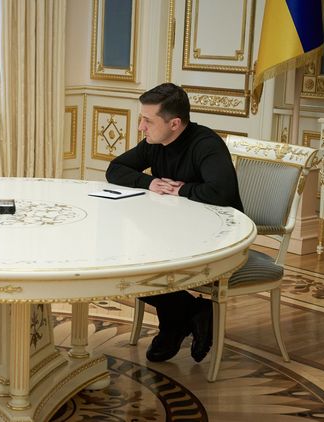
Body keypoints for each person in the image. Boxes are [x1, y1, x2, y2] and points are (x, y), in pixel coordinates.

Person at [106, 82, 243, 364]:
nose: (141, 127)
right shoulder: (155, 144)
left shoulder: (206, 145)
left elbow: (222, 192)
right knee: (126, 265)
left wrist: (181, 190)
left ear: (175, 123)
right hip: (175, 230)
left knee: (147, 266)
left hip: (218, 236)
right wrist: (150, 182)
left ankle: (173, 326)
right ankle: (191, 313)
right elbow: (115, 169)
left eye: (148, 120)